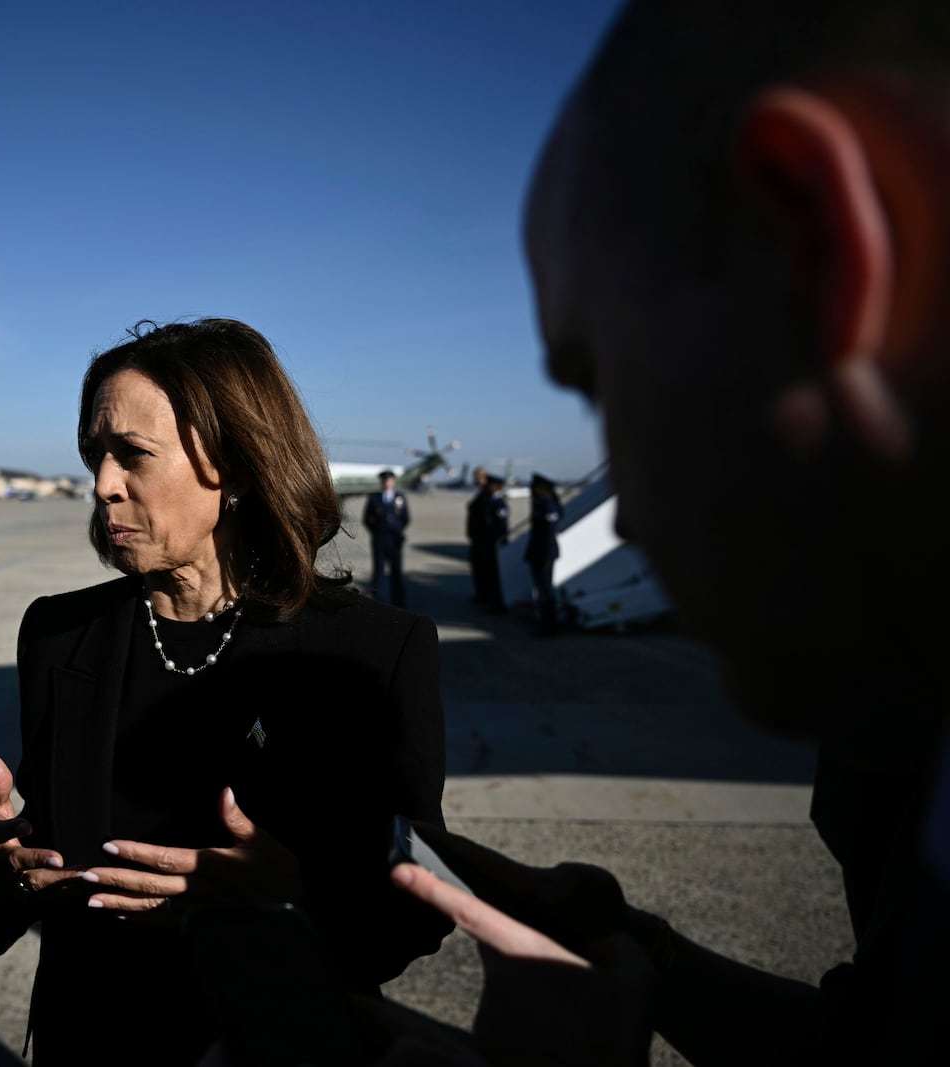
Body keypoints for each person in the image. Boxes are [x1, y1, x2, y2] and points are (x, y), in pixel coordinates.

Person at [391, 1, 950, 1062]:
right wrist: (634, 949)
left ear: (832, 250)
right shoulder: (894, 737)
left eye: (604, 380)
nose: (629, 511)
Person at [0, 318, 450, 1065]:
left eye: (132, 455)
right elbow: (43, 850)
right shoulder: (58, 634)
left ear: (239, 468)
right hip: (88, 1036)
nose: (101, 485)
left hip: (272, 1040)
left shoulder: (373, 651)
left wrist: (295, 890)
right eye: (95, 455)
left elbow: (414, 909)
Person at [362, 469, 409, 607]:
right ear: (382, 482)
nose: (387, 483)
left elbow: (405, 518)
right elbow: (366, 519)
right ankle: (379, 600)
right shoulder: (374, 498)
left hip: (395, 540)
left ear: (393, 481)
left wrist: (398, 530)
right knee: (378, 570)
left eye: (389, 480)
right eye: (384, 480)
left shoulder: (399, 497)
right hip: (379, 539)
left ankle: (399, 600)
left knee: (396, 570)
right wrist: (376, 531)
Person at [523, 473, 561, 636]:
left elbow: (549, 534)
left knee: (546, 591)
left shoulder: (548, 505)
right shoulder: (539, 504)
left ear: (542, 489)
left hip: (544, 555)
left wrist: (547, 556)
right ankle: (544, 623)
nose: (531, 489)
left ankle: (549, 626)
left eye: (534, 487)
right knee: (541, 589)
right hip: (538, 553)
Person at [465, 470, 508, 612]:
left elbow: (501, 526)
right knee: (480, 570)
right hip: (480, 540)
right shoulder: (484, 497)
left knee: (492, 574)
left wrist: (498, 542)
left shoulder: (496, 501)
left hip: (490, 544)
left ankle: (495, 602)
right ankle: (484, 597)